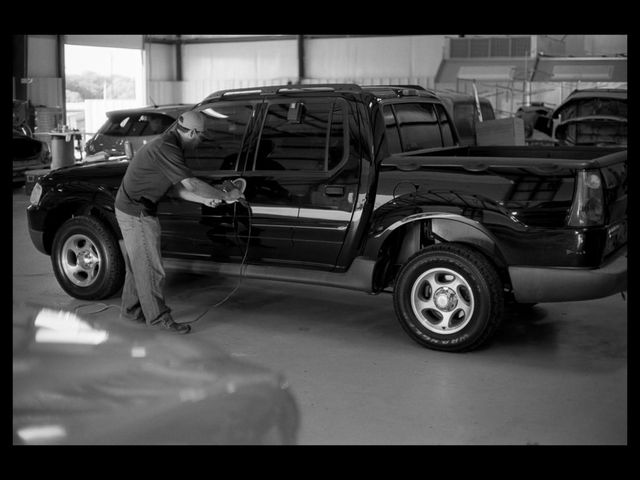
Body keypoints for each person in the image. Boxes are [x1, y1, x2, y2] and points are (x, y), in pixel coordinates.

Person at [114, 110, 244, 334]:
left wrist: (207, 198)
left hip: (129, 206)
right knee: (151, 267)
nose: (200, 141)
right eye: (201, 136)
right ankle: (158, 319)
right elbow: (191, 184)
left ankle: (131, 310)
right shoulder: (168, 147)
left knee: (139, 264)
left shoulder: (170, 144)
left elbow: (181, 190)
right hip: (137, 211)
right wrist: (226, 195)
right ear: (192, 132)